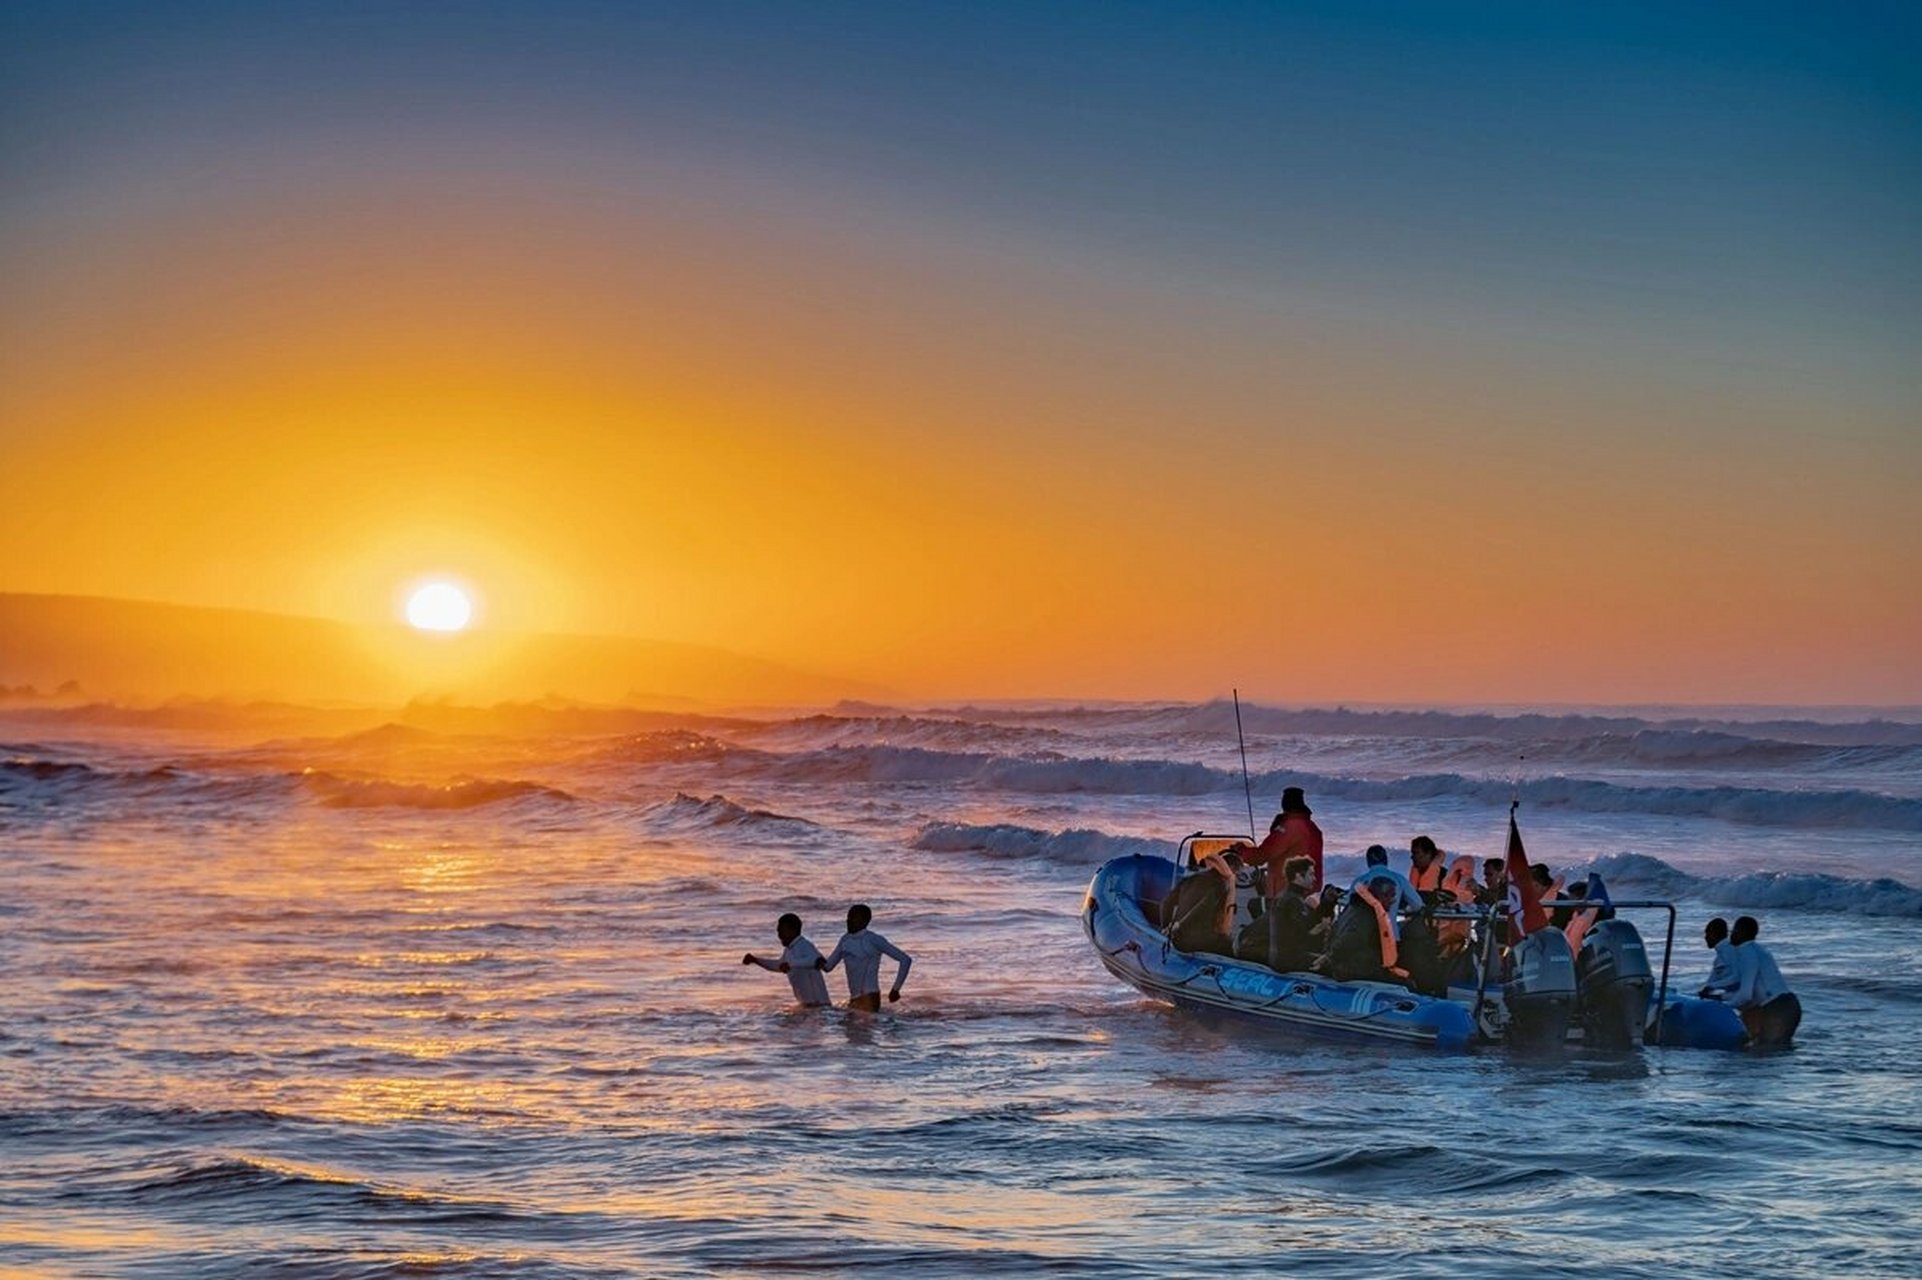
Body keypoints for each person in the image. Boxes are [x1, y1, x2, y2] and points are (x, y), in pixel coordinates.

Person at [820, 903, 913, 1012]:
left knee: (861, 1028)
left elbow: (905, 960)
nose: (849, 920)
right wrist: (812, 957)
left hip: (870, 997)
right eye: (848, 917)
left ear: (865, 921)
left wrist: (895, 989)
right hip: (854, 999)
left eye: (854, 917)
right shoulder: (845, 940)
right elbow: (828, 967)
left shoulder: (874, 939)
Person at [1726, 916, 1801, 1047]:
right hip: (1786, 1004)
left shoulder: (1747, 953)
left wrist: (1722, 1007)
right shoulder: (1759, 950)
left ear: (1742, 932)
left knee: (1766, 1051)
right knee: (1768, 1052)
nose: (1731, 935)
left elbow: (1745, 995)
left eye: (1734, 931)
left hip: (1777, 1009)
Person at [1322, 875, 1408, 985]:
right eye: (1387, 896)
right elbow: (1350, 939)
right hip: (1356, 970)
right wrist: (1329, 957)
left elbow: (1335, 931)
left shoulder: (1353, 906)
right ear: (1375, 895)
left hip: (1351, 966)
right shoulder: (1366, 916)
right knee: (1407, 983)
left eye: (1393, 896)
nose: (1392, 901)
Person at [1237, 786, 1324, 896]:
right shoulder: (1313, 828)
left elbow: (1263, 854)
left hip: (1287, 893)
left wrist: (1241, 851)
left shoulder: (1288, 828)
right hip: (1310, 891)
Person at [742, 912, 832, 1007]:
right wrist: (756, 960)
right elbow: (779, 966)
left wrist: (791, 965)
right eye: (778, 932)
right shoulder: (789, 950)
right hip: (807, 1007)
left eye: (781, 931)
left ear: (792, 930)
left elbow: (816, 960)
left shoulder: (805, 945)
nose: (779, 935)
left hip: (820, 1007)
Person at [1168, 850, 1238, 956]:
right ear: (1231, 869)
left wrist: (1167, 928)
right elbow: (1224, 929)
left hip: (1178, 939)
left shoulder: (1189, 879)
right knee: (1231, 945)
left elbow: (1166, 903)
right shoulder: (1220, 885)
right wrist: (1231, 882)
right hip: (1197, 942)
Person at [1347, 846, 1422, 920]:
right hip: (1391, 930)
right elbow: (1418, 905)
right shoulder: (1399, 879)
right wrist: (1406, 909)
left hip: (1363, 931)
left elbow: (1349, 907)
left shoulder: (1358, 882)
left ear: (1368, 862)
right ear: (1386, 860)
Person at [1699, 917, 1741, 999]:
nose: (1705, 937)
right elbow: (1711, 982)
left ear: (1714, 934)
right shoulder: (1720, 957)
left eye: (1707, 934)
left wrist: (1711, 987)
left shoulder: (1730, 951)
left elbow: (1738, 977)